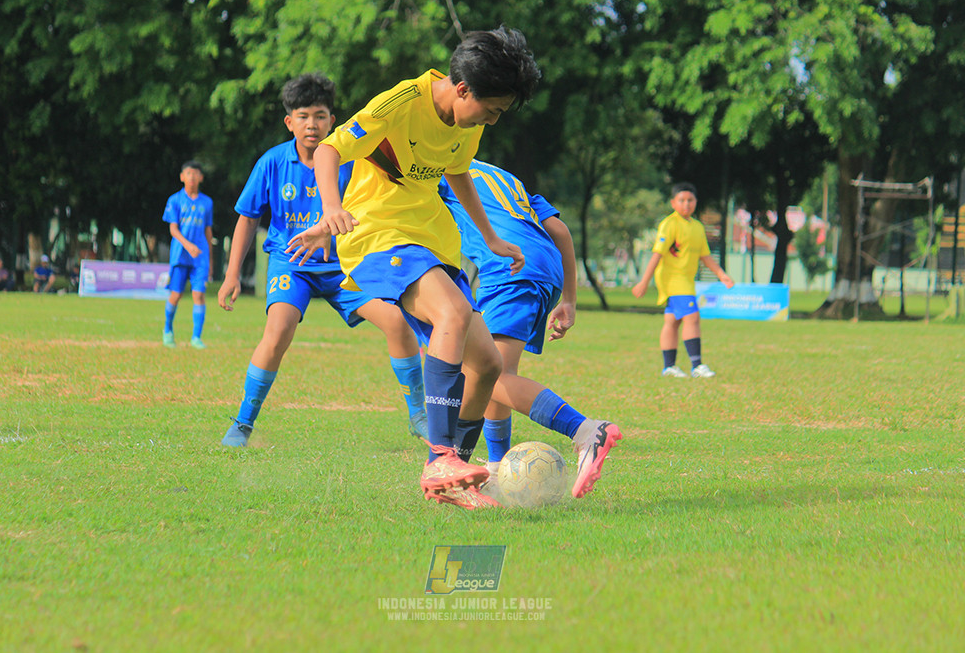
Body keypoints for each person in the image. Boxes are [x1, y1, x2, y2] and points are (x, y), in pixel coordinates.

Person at [289, 26, 541, 510]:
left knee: (486, 364)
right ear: (464, 88)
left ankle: (450, 481)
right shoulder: (402, 102)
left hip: (430, 242)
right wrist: (330, 209)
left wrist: (490, 238)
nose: (492, 121)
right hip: (377, 235)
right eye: (492, 110)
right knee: (451, 312)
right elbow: (328, 149)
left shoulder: (466, 125)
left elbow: (458, 172)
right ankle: (440, 456)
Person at [218, 73, 427, 447]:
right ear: (289, 122)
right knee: (278, 329)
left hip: (346, 266)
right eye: (302, 116)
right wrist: (233, 274)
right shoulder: (272, 162)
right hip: (292, 264)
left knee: (397, 323)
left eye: (319, 115)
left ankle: (419, 417)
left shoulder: (354, 161)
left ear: (333, 120)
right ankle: (243, 424)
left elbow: (376, 206)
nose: (311, 124)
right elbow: (248, 217)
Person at [437, 160, 622, 499]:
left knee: (487, 374)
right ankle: (495, 469)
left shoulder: (440, 170)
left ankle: (585, 430)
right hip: (546, 267)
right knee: (497, 371)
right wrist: (569, 300)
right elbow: (561, 231)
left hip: (509, 267)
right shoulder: (505, 177)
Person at [632, 182, 735, 377]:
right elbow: (657, 254)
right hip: (672, 280)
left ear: (696, 202)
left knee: (672, 321)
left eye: (690, 200)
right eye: (682, 200)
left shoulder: (697, 227)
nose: (686, 204)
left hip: (686, 281)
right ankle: (697, 366)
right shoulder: (669, 224)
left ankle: (669, 367)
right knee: (692, 317)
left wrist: (722, 275)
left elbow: (705, 256)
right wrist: (644, 281)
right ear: (673, 203)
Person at [162, 160, 214, 349]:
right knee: (176, 295)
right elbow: (173, 230)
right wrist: (188, 245)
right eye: (188, 173)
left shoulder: (207, 202)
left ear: (201, 177)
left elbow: (208, 231)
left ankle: (196, 337)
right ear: (182, 177)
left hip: (200, 257)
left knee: (199, 295)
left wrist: (210, 258)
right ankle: (168, 330)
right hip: (180, 256)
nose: (192, 177)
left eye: (195, 173)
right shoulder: (175, 200)